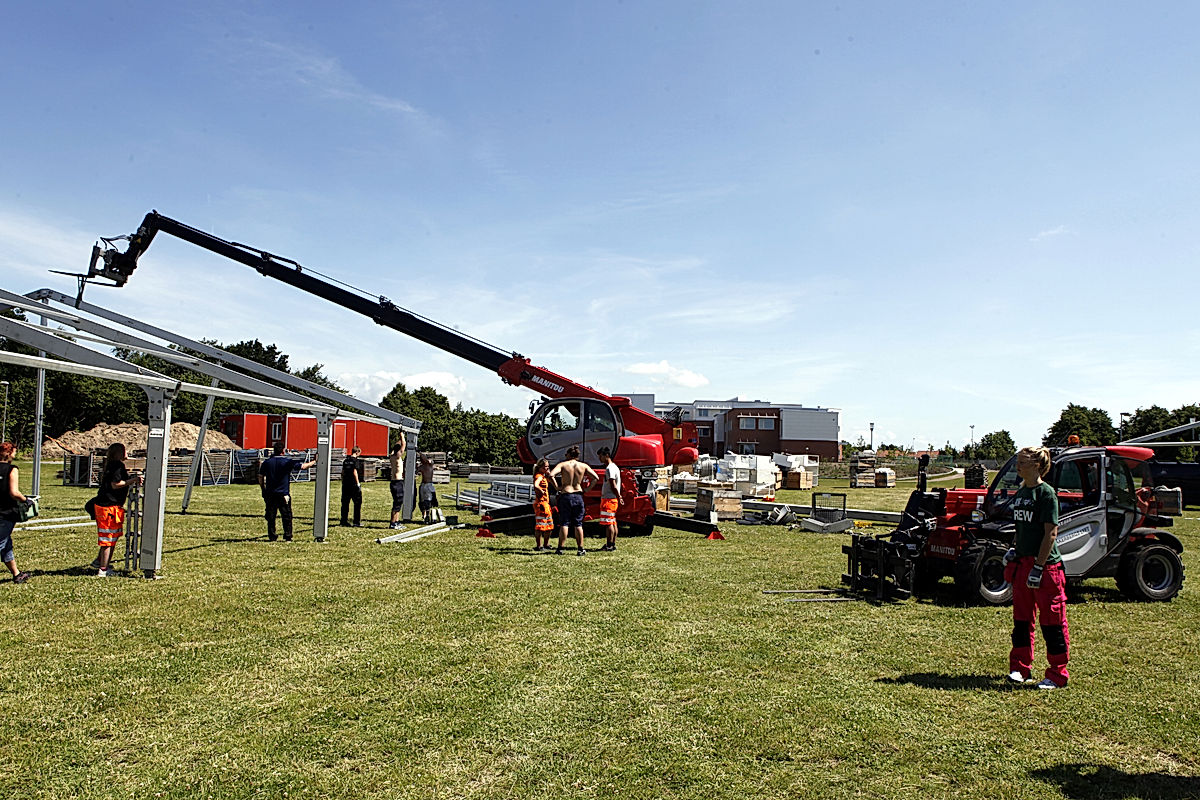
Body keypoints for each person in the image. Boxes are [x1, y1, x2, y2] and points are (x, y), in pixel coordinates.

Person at [1003, 445, 1069, 689]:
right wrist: (1014, 549)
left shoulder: (1046, 494)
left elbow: (1050, 534)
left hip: (1046, 567)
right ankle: (1020, 668)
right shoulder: (1021, 492)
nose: (1018, 466)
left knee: (1052, 621)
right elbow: (1021, 528)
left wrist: (1039, 567)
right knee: (1021, 620)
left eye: (1023, 462)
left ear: (1037, 465)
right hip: (1022, 563)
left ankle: (1057, 673)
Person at [93, 443, 142, 577]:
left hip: (109, 506)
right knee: (108, 539)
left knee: (112, 537)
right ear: (119, 453)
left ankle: (100, 561)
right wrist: (134, 480)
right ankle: (103, 569)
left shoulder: (112, 465)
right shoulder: (117, 466)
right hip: (108, 507)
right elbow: (115, 484)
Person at [258, 443, 317, 542]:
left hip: (271, 493)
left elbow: (260, 476)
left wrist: (263, 489)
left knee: (271, 516)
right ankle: (287, 535)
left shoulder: (267, 463)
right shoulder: (287, 462)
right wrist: (314, 461)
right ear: (283, 451)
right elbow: (303, 467)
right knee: (286, 516)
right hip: (283, 493)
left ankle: (272, 536)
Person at [549, 445, 599, 556]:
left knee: (564, 523)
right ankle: (580, 548)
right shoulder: (583, 466)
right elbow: (596, 478)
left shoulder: (563, 465)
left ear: (568, 455)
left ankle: (560, 548)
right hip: (578, 494)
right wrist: (587, 489)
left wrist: (557, 487)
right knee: (578, 523)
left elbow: (551, 475)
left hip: (566, 494)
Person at [0, 442, 31, 584]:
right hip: (6, 513)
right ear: (9, 453)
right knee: (2, 542)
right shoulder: (12, 469)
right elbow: (14, 492)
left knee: (6, 543)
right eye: (14, 452)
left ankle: (17, 574)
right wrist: (26, 500)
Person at [597, 446, 624, 552]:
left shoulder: (610, 468)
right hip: (612, 499)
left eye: (601, 456)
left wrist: (618, 496)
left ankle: (609, 544)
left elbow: (613, 484)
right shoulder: (615, 467)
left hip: (609, 499)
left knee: (608, 523)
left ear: (606, 455)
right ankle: (612, 543)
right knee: (613, 521)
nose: (599, 459)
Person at [532, 458, 555, 551]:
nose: (547, 468)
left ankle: (546, 544)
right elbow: (536, 485)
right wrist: (540, 490)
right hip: (541, 504)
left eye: (548, 466)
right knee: (540, 526)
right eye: (545, 467)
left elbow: (552, 482)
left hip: (546, 503)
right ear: (540, 467)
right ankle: (539, 545)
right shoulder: (539, 476)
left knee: (549, 525)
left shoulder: (544, 476)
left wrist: (550, 475)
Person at [340, 446, 364, 527]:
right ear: (357, 452)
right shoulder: (356, 461)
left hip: (346, 484)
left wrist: (343, 481)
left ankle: (343, 521)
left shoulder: (346, 460)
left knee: (345, 503)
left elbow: (343, 472)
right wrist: (358, 483)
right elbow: (355, 472)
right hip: (353, 484)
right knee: (357, 503)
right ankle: (356, 522)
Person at [418, 453, 441, 523]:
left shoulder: (430, 465)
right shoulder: (421, 467)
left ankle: (428, 515)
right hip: (423, 485)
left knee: (428, 500)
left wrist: (419, 452)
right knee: (422, 501)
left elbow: (430, 461)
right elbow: (416, 471)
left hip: (429, 484)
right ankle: (424, 515)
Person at [388, 440, 406, 529]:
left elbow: (395, 447)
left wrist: (399, 439)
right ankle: (392, 523)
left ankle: (396, 522)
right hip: (397, 482)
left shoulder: (392, 456)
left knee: (399, 502)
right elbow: (404, 444)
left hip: (394, 482)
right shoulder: (398, 457)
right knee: (397, 503)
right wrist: (402, 436)